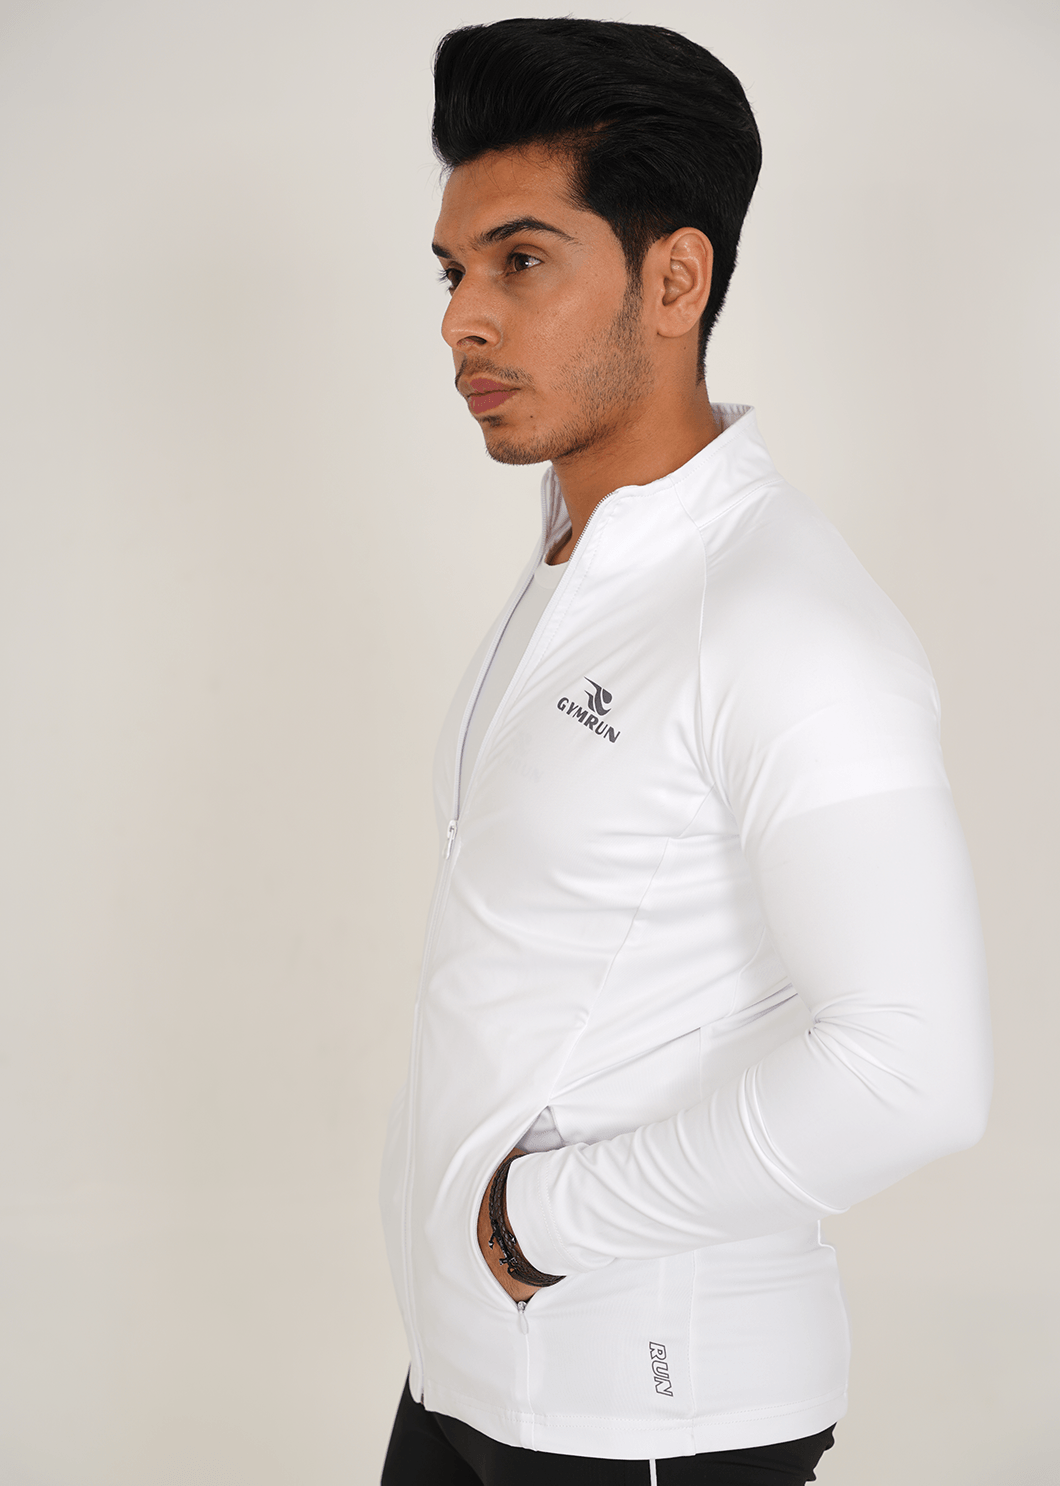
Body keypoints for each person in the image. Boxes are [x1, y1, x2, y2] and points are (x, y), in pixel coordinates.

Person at [379, 17, 992, 1485]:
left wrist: (540, 1225)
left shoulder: (786, 619)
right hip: (472, 1376)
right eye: (455, 272)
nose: (463, 321)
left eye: (522, 261)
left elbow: (918, 1069)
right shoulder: (584, 563)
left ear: (675, 279)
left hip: (649, 1411)